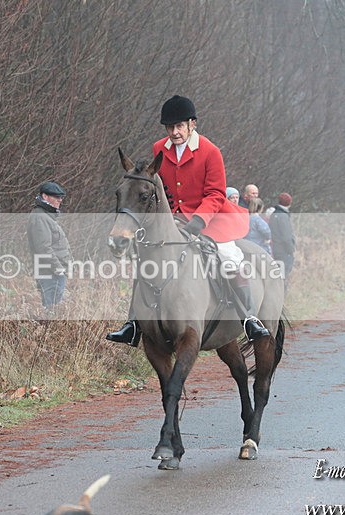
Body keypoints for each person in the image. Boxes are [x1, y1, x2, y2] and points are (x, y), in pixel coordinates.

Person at [107, 95, 269, 346]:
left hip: (212, 218)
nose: (174, 132)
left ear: (192, 124)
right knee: (147, 259)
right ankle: (133, 324)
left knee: (229, 257)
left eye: (179, 126)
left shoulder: (210, 151)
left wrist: (198, 221)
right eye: (170, 127)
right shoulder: (158, 148)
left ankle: (249, 318)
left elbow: (216, 194)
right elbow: (160, 190)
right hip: (174, 220)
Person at [26, 182, 72, 309]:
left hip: (53, 272)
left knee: (54, 310)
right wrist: (59, 269)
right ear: (45, 196)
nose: (60, 200)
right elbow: (43, 248)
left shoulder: (46, 216)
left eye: (61, 197)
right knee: (51, 310)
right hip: (49, 272)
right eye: (56, 197)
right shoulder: (40, 217)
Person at [268, 192, 296, 284]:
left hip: (275, 249)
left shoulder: (274, 214)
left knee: (277, 275)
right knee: (283, 276)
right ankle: (281, 296)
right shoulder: (283, 216)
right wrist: (291, 250)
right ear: (290, 203)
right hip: (283, 250)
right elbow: (286, 237)